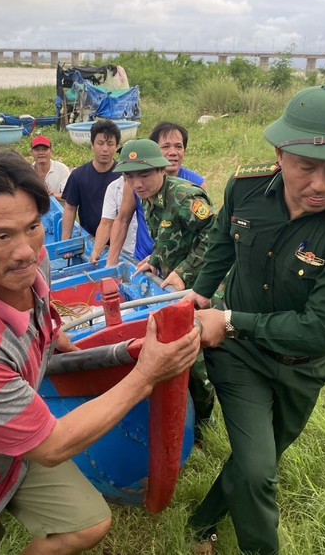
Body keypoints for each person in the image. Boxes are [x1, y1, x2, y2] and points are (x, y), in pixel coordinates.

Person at [0, 149, 201, 555]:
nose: (25, 250)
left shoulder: (33, 267)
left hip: (8, 456)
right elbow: (51, 446)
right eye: (1, 235)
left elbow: (42, 306)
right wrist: (145, 375)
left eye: (33, 227)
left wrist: (53, 335)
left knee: (86, 524)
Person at [186, 84, 325, 555]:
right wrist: (200, 292)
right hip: (238, 355)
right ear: (280, 154)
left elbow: (324, 329)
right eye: (307, 167)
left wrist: (230, 318)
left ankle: (200, 522)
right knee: (260, 470)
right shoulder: (244, 187)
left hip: (303, 364)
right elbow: (223, 237)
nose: (321, 184)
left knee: (256, 460)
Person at [114, 138, 217, 441]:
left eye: (143, 175)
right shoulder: (148, 198)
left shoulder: (186, 197)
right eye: (130, 176)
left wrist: (183, 273)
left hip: (204, 282)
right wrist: (155, 259)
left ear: (161, 170)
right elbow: (165, 235)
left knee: (196, 356)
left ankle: (204, 422)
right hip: (174, 283)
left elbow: (215, 238)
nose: (137, 182)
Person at [107, 121, 205, 267]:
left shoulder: (190, 191)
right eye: (166, 146)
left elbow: (210, 236)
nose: (137, 184)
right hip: (147, 261)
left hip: (182, 268)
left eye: (178, 146)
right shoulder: (141, 187)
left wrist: (183, 272)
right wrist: (111, 265)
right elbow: (122, 220)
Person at [60, 119, 121, 238]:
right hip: (89, 239)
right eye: (100, 143)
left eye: (110, 144)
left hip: (118, 240)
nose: (105, 149)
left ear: (116, 146)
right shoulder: (78, 175)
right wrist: (65, 241)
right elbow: (70, 209)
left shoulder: (123, 176)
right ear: (92, 145)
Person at [88, 176, 138, 264]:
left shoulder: (146, 186)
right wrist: (96, 251)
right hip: (125, 251)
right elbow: (107, 223)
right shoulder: (114, 187)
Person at [30, 134, 70, 199]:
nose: (41, 153)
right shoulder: (27, 171)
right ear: (31, 152)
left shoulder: (62, 169)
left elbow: (69, 195)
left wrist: (54, 195)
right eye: (37, 150)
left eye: (45, 149)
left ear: (51, 151)